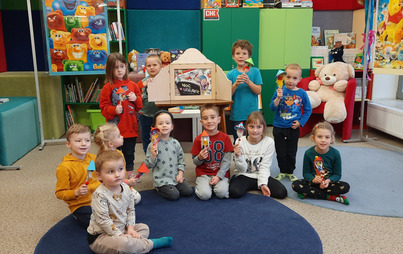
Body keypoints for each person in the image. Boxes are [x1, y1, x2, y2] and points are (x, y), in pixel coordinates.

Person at [87, 151, 173, 253]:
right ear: (99, 175)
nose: (117, 175)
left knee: (144, 228)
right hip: (101, 236)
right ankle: (150, 244)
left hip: (122, 228)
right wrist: (121, 235)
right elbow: (104, 221)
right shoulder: (99, 195)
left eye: (120, 169)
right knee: (123, 244)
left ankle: (134, 245)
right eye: (111, 171)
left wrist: (131, 229)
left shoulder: (126, 188)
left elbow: (130, 210)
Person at [99, 52, 143, 177]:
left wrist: (135, 99)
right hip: (114, 130)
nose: (119, 70)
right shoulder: (108, 87)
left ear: (126, 67)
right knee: (114, 153)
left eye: (122, 66)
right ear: (110, 70)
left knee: (130, 152)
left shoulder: (133, 86)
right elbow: (103, 107)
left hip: (130, 127)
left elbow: (139, 106)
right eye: (116, 67)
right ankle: (115, 173)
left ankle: (129, 173)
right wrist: (114, 110)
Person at [230, 111, 287, 199]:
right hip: (244, 175)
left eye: (259, 127)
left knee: (282, 193)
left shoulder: (269, 142)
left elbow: (265, 166)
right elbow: (241, 169)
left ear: (263, 128)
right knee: (234, 192)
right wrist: (238, 156)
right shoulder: (239, 141)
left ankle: (258, 184)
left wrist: (263, 184)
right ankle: (238, 181)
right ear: (246, 128)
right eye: (251, 127)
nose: (255, 130)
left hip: (261, 174)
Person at [270, 63, 312, 182]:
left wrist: (300, 122)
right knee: (280, 151)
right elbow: (272, 108)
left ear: (299, 79)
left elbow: (308, 110)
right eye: (288, 77)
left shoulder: (302, 93)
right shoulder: (279, 90)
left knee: (291, 151)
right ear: (283, 77)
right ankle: (283, 171)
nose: (290, 81)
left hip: (293, 128)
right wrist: (278, 98)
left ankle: (290, 171)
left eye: (294, 78)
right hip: (279, 127)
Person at [292, 121, 350, 205]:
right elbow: (306, 173)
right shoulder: (308, 153)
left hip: (328, 184)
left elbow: (337, 174)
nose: (323, 140)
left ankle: (309, 194)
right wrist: (313, 179)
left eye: (327, 137)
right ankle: (331, 197)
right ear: (313, 138)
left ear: (332, 139)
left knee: (345, 187)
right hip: (312, 183)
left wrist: (328, 181)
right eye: (319, 137)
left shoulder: (335, 153)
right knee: (295, 184)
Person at [55, 123, 100, 228]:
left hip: (99, 199)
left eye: (87, 140)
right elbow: (60, 193)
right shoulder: (64, 167)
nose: (84, 144)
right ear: (68, 144)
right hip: (81, 205)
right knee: (95, 223)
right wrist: (76, 192)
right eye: (78, 141)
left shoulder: (93, 158)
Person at [144, 110, 193, 200]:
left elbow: (181, 161)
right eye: (160, 123)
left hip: (175, 177)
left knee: (188, 191)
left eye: (167, 123)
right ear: (155, 127)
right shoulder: (152, 145)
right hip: (162, 180)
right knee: (174, 195)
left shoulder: (175, 143)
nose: (164, 125)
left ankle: (174, 185)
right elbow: (147, 165)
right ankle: (158, 188)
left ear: (172, 126)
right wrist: (153, 156)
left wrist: (180, 174)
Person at [190, 104, 234, 200]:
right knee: (204, 195)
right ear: (201, 121)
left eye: (212, 117)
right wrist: (200, 157)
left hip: (221, 173)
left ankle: (218, 185)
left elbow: (227, 161)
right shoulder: (198, 139)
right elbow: (195, 162)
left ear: (219, 119)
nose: (209, 121)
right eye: (205, 118)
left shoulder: (226, 138)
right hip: (203, 173)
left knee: (221, 193)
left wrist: (219, 176)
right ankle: (205, 187)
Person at [94, 122, 141, 204]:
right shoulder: (103, 159)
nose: (122, 137)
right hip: (109, 187)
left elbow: (121, 172)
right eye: (119, 136)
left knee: (136, 197)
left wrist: (126, 182)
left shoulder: (119, 153)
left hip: (120, 183)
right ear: (110, 143)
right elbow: (108, 180)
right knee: (134, 199)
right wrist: (128, 182)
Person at [226, 39, 263, 139]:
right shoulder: (231, 74)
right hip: (237, 115)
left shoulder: (255, 72)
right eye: (237, 53)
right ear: (233, 57)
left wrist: (249, 82)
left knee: (253, 138)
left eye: (244, 53)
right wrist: (235, 84)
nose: (241, 56)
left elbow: (258, 91)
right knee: (238, 140)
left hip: (252, 114)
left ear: (249, 56)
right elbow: (227, 94)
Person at [139, 54, 163, 154]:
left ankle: (162, 156)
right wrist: (142, 87)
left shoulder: (164, 81)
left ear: (160, 67)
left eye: (154, 65)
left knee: (162, 137)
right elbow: (135, 92)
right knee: (146, 138)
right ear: (145, 68)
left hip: (161, 115)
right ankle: (148, 156)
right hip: (145, 114)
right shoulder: (143, 82)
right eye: (149, 66)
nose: (152, 67)